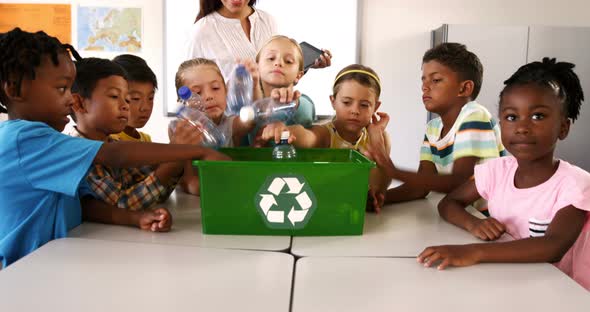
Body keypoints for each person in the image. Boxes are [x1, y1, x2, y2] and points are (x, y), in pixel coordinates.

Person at [0, 28, 228, 269]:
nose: (69, 99)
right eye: (61, 89)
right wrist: (196, 151)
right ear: (14, 89)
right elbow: (115, 155)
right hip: (22, 271)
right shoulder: (24, 139)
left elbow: (85, 205)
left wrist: (135, 218)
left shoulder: (45, 143)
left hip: (52, 263)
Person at [416, 58, 590, 291]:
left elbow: (553, 245)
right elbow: (449, 203)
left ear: (563, 127)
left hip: (566, 291)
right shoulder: (497, 171)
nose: (522, 127)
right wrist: (474, 224)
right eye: (511, 117)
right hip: (511, 281)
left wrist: (472, 251)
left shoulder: (576, 185)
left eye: (538, 116)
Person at [383, 43, 505, 206]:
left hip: (488, 220)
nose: (424, 87)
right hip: (461, 216)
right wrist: (380, 198)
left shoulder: (475, 115)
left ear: (465, 88)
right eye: (424, 80)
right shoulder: (433, 128)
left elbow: (459, 182)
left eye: (436, 80)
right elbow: (420, 188)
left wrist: (395, 172)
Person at [260, 64, 392, 211]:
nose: (355, 110)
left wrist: (376, 193)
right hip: (323, 210)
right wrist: (285, 130)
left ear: (376, 107)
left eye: (364, 105)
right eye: (347, 102)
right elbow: (307, 136)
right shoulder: (326, 134)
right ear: (333, 101)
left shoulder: (380, 138)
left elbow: (383, 182)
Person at [68, 57, 182, 214]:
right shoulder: (75, 153)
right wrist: (174, 161)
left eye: (127, 99)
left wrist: (179, 155)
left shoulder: (113, 143)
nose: (125, 106)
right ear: (79, 103)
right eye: (115, 96)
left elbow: (150, 189)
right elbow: (121, 205)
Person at [186, 0, 331, 80]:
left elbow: (274, 81)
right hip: (232, 126)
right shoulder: (202, 31)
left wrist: (301, 68)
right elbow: (189, 91)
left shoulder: (267, 21)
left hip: (270, 119)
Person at [111, 54, 157, 142]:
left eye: (150, 98)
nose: (146, 107)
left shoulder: (146, 139)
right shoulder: (110, 139)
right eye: (136, 98)